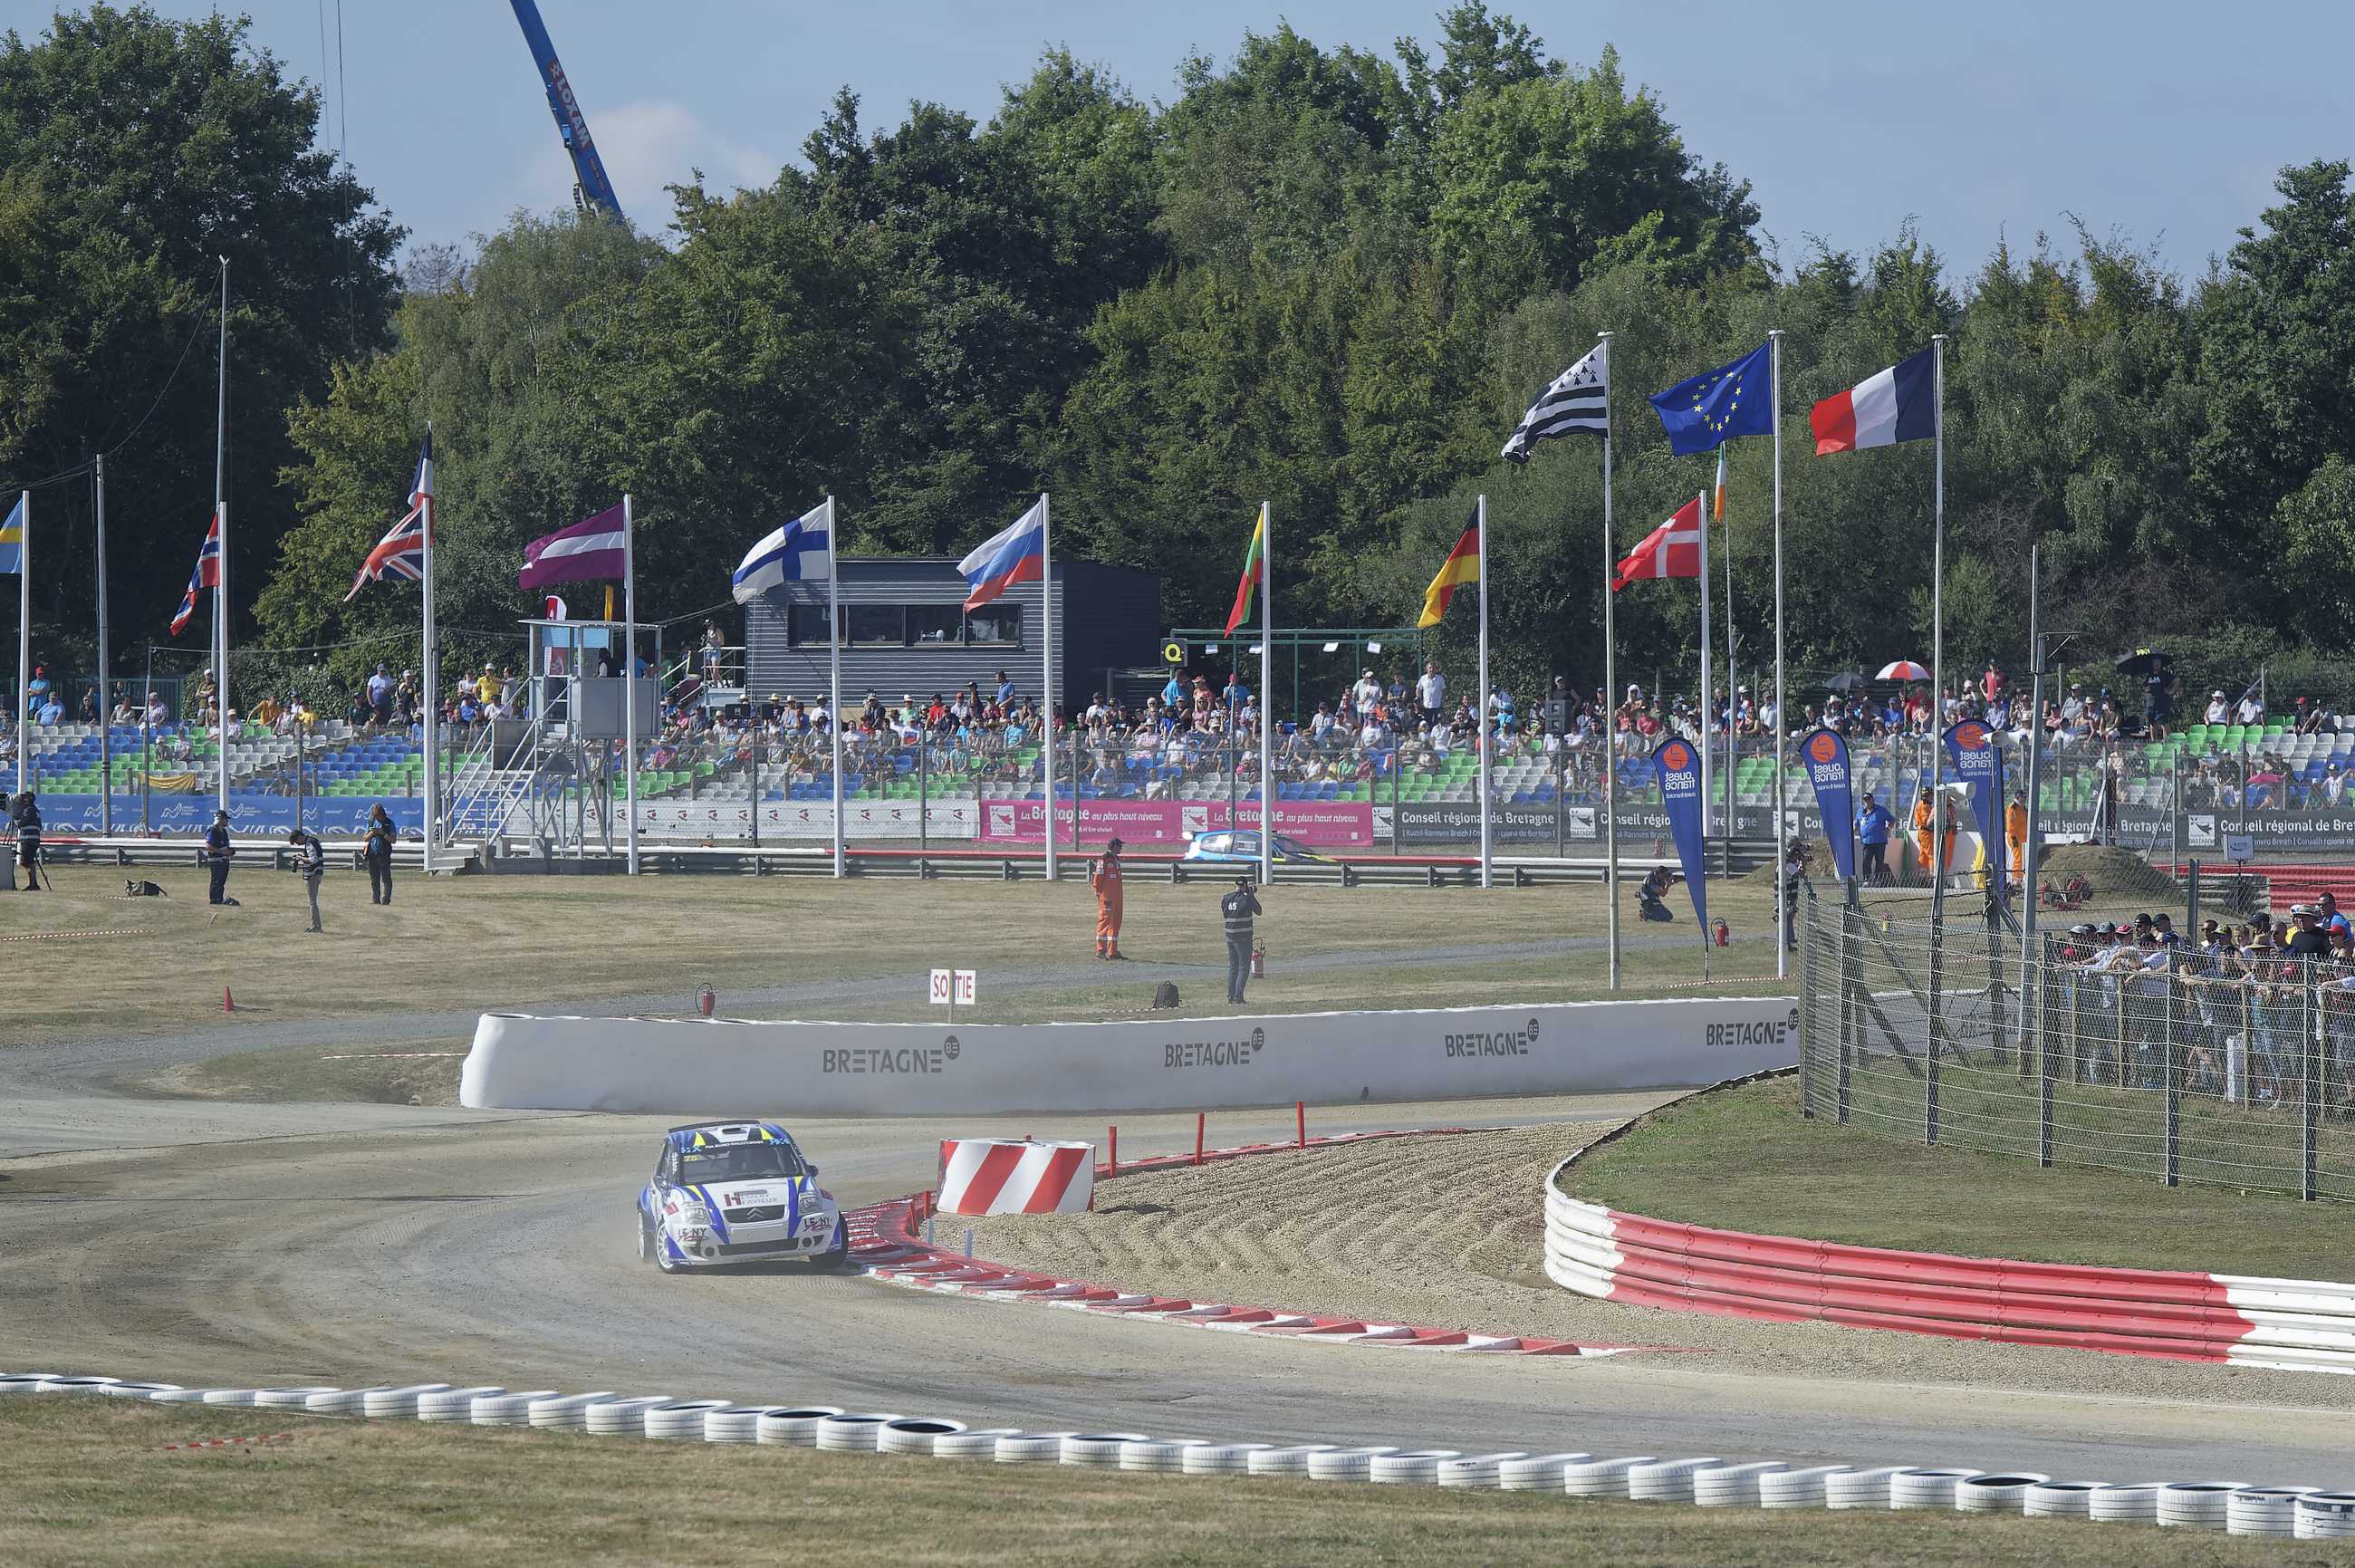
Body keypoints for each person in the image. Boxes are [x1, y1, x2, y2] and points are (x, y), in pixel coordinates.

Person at [1221, 874, 1262, 1004]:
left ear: (1236, 885)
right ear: (1244, 885)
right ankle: (1239, 997)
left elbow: (1224, 912)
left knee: (1233, 967)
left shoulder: (1226, 898)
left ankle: (1230, 997)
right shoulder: (1247, 899)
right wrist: (1251, 895)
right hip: (1243, 938)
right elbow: (1259, 911)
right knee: (1243, 968)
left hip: (1230, 936)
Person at [1091, 835, 1127, 960]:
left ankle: (1113, 951)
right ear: (1114, 846)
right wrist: (1097, 891)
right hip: (1107, 897)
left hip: (1117, 897)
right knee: (1104, 922)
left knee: (1116, 923)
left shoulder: (1116, 860)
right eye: (1120, 846)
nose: (1121, 848)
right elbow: (1097, 878)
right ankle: (1100, 950)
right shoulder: (1103, 860)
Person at [286, 823, 325, 933]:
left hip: (312, 874)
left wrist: (301, 858)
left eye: (297, 842)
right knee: (313, 901)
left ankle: (316, 926)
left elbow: (313, 860)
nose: (298, 844)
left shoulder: (309, 843)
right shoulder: (314, 840)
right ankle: (316, 925)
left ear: (299, 837)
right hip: (318, 873)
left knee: (312, 901)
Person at [1856, 792, 1895, 885]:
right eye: (1865, 800)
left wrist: (1888, 828)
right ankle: (1867, 880)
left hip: (1879, 841)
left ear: (1873, 800)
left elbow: (1892, 820)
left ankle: (1878, 880)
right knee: (1866, 861)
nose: (1867, 801)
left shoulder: (1881, 810)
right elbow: (1856, 824)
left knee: (1879, 861)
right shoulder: (1861, 811)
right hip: (1866, 841)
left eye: (1869, 799)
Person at [364, 803, 397, 906]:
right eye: (375, 816)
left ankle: (386, 899)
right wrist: (372, 833)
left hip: (384, 854)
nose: (377, 818)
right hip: (372, 853)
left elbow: (393, 840)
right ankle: (375, 899)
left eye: (378, 816)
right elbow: (365, 838)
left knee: (386, 878)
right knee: (374, 878)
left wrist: (383, 834)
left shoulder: (390, 823)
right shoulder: (371, 822)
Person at [204, 809, 237, 906]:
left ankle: (219, 898)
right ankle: (214, 900)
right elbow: (208, 846)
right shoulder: (213, 830)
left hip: (224, 861)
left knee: (221, 882)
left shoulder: (224, 831)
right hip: (216, 861)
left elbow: (224, 845)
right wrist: (222, 852)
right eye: (225, 819)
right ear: (220, 819)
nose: (227, 821)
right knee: (216, 881)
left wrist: (230, 851)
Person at [11, 789, 40, 892]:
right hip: (33, 839)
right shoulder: (35, 810)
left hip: (28, 839)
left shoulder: (29, 810)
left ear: (28, 799)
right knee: (28, 861)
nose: (22, 800)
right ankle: (33, 883)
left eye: (24, 798)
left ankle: (33, 884)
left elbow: (20, 823)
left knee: (26, 861)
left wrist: (14, 817)